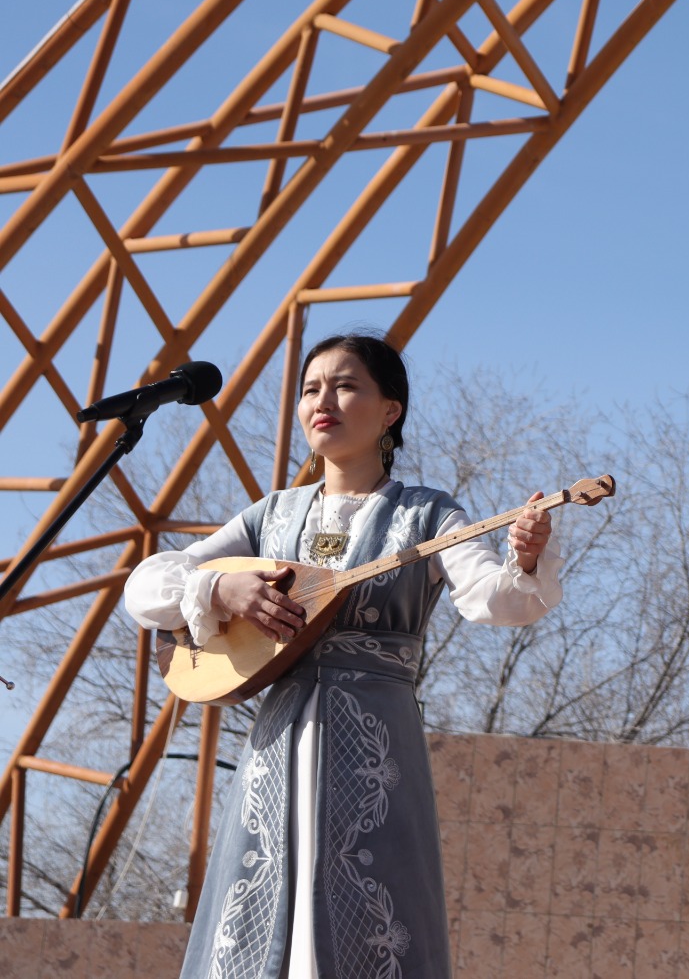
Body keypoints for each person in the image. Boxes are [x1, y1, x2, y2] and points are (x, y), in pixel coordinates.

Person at [125, 333, 563, 978]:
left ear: (391, 410)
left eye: (346, 385)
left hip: (374, 742)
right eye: (309, 389)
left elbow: (498, 600)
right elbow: (145, 589)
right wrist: (220, 587)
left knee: (372, 897)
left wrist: (524, 555)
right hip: (277, 739)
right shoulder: (270, 518)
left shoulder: (429, 515)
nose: (321, 401)